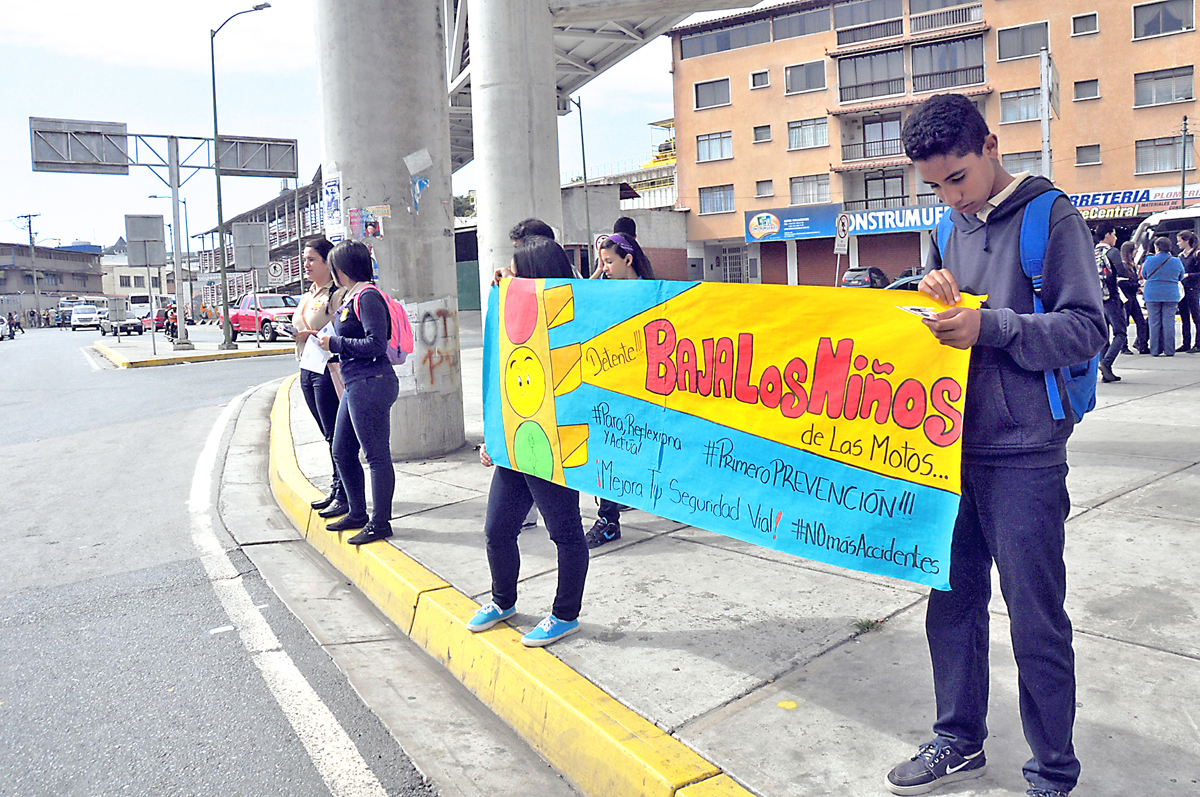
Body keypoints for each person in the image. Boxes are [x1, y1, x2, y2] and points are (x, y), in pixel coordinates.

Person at [886, 94, 1105, 797]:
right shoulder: (946, 225)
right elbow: (936, 303)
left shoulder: (1050, 215)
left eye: (957, 178)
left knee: (1035, 613)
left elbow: (1085, 329)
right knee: (949, 600)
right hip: (948, 446)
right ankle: (958, 737)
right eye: (934, 187)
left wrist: (993, 328)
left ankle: (1052, 770)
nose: (950, 196)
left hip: (1025, 450)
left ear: (990, 145)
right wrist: (926, 295)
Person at [470, 235, 590, 647]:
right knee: (497, 529)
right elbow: (501, 380)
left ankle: (565, 615)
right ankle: (503, 601)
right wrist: (496, 438)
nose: (510, 280)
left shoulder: (573, 317)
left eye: (519, 274)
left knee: (565, 534)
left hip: (552, 447)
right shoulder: (515, 317)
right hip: (516, 444)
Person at [297, 240, 399, 545]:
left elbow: (376, 344)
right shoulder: (351, 296)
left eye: (333, 264)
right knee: (341, 449)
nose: (332, 269)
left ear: (343, 267)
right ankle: (357, 512)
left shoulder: (367, 296)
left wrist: (336, 345)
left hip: (371, 381)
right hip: (356, 381)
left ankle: (380, 522)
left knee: (376, 456)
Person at [585, 231, 656, 549]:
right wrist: (599, 271)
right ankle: (608, 519)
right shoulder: (604, 291)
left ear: (628, 259)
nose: (605, 269)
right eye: (602, 263)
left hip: (645, 388)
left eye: (609, 261)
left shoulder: (653, 293)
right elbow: (577, 298)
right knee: (605, 452)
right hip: (610, 387)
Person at [294, 238, 348, 519]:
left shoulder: (336, 294)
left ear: (328, 263)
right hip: (307, 367)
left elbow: (339, 331)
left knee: (335, 434)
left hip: (328, 369)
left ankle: (344, 491)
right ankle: (337, 487)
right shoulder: (309, 294)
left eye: (312, 259)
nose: (306, 264)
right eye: (305, 259)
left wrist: (312, 334)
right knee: (327, 433)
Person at [1142, 236, 1185, 357]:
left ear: (1157, 247)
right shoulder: (1176, 261)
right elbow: (1181, 276)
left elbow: (1144, 274)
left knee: (1154, 322)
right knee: (1168, 322)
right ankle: (1169, 350)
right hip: (1171, 294)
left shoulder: (1149, 260)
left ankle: (1155, 350)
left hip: (1152, 294)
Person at [1094, 221, 1126, 382]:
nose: (1116, 237)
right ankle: (1106, 363)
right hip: (1111, 297)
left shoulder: (1092, 252)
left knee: (1104, 335)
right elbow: (1122, 271)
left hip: (1096, 299)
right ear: (1107, 234)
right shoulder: (1111, 252)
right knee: (1121, 332)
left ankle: (1105, 369)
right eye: (1114, 234)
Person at [1118, 241, 1148, 354]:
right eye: (1135, 250)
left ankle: (1142, 344)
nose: (1136, 252)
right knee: (1124, 323)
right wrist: (1137, 284)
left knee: (1140, 321)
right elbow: (1122, 284)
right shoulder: (1123, 266)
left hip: (1132, 296)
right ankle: (1123, 347)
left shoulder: (1132, 265)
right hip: (1126, 297)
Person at [1176, 230, 1200, 352]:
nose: (1178, 243)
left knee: (1196, 316)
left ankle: (1198, 344)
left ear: (1186, 241)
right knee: (1184, 317)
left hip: (1193, 288)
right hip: (1182, 289)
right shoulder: (1180, 256)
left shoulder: (1197, 254)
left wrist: (1189, 275)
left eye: (1179, 241)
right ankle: (1186, 343)